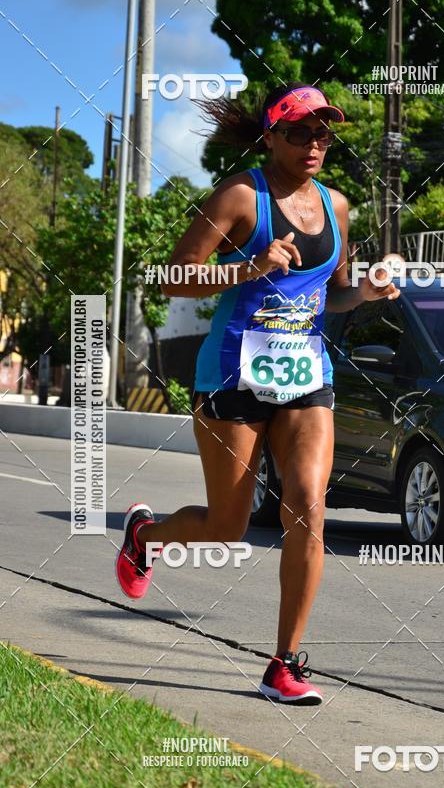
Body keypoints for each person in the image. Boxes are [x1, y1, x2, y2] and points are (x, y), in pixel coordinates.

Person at [115, 81, 399, 704]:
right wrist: (250, 267)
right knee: (227, 526)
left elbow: (334, 292)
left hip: (306, 377)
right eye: (299, 131)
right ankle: (145, 536)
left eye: (323, 132)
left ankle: (286, 663)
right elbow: (170, 277)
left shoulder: (338, 205)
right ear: (271, 135)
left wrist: (367, 294)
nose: (314, 144)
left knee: (307, 501)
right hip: (232, 377)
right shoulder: (241, 195)